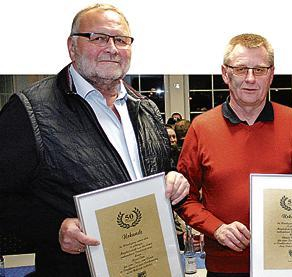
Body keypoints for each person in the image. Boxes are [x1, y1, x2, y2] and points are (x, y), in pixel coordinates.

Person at [0, 4, 190, 276]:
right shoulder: (31, 110)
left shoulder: (146, 109)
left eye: (121, 40)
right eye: (98, 38)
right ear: (72, 46)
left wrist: (173, 179)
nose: (112, 48)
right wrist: (54, 228)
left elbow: (155, 175)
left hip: (149, 265)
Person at [175, 33, 292, 276]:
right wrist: (216, 228)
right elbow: (184, 198)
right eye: (240, 69)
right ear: (225, 74)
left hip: (282, 263)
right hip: (224, 266)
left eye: (259, 70)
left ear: (271, 74)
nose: (250, 79)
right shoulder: (201, 127)